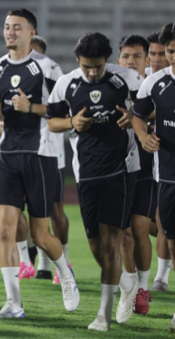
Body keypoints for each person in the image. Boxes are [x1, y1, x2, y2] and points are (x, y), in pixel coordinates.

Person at [0, 8, 79, 319]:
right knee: (5, 232)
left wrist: (32, 106)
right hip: (7, 156)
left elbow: (60, 113)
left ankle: (65, 274)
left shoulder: (48, 68)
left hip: (40, 155)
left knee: (40, 235)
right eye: (7, 26)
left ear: (30, 33)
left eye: (17, 27)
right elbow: (2, 107)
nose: (10, 32)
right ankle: (13, 304)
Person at [48, 32, 142, 331]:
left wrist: (134, 116)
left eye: (98, 66)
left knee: (113, 240)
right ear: (78, 61)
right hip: (86, 172)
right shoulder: (66, 84)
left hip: (120, 169)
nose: (92, 72)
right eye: (87, 66)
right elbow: (52, 122)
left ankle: (102, 314)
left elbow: (148, 108)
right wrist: (72, 123)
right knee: (95, 245)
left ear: (107, 60)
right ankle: (128, 283)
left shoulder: (126, 78)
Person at [132, 22, 175, 333]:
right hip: (170, 177)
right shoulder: (156, 83)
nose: (174, 56)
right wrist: (144, 134)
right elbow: (137, 114)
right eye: (171, 51)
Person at [118, 34, 156, 314]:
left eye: (137, 56)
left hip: (146, 167)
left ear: (147, 60)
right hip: (116, 169)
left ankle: (142, 288)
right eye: (126, 56)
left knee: (140, 229)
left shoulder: (154, 86)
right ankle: (129, 285)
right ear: (118, 60)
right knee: (123, 233)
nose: (131, 61)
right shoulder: (110, 87)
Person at [149, 27, 174, 292]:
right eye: (153, 53)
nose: (157, 59)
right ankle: (159, 277)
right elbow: (138, 111)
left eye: (162, 53)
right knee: (159, 219)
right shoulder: (150, 83)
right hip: (157, 162)